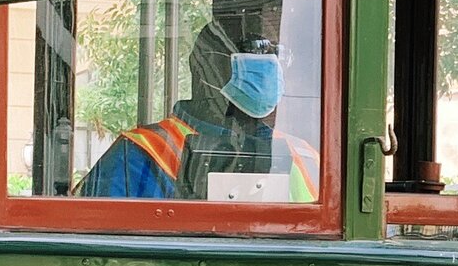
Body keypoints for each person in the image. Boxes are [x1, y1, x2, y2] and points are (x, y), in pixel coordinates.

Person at [77, 21, 319, 203]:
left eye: (276, 54)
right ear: (205, 66)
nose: (270, 65)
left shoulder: (304, 158)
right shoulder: (138, 154)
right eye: (255, 51)